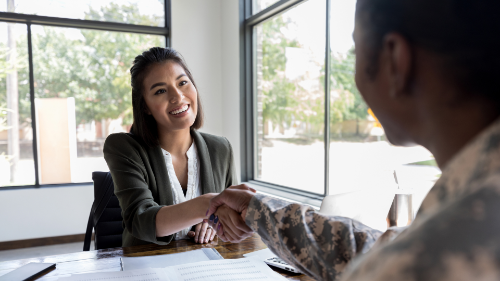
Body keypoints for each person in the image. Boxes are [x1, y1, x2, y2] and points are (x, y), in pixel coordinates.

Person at [207, 0, 500, 280]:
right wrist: (258, 208)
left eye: (356, 48)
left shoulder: (429, 257)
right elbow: (375, 249)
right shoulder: (471, 206)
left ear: (395, 61)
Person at [103, 47, 248, 247]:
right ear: (144, 106)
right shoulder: (123, 147)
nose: (178, 97)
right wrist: (207, 207)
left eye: (182, 83)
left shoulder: (221, 148)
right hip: (148, 267)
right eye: (160, 91)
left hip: (208, 264)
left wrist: (214, 222)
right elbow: (140, 220)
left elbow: (233, 213)